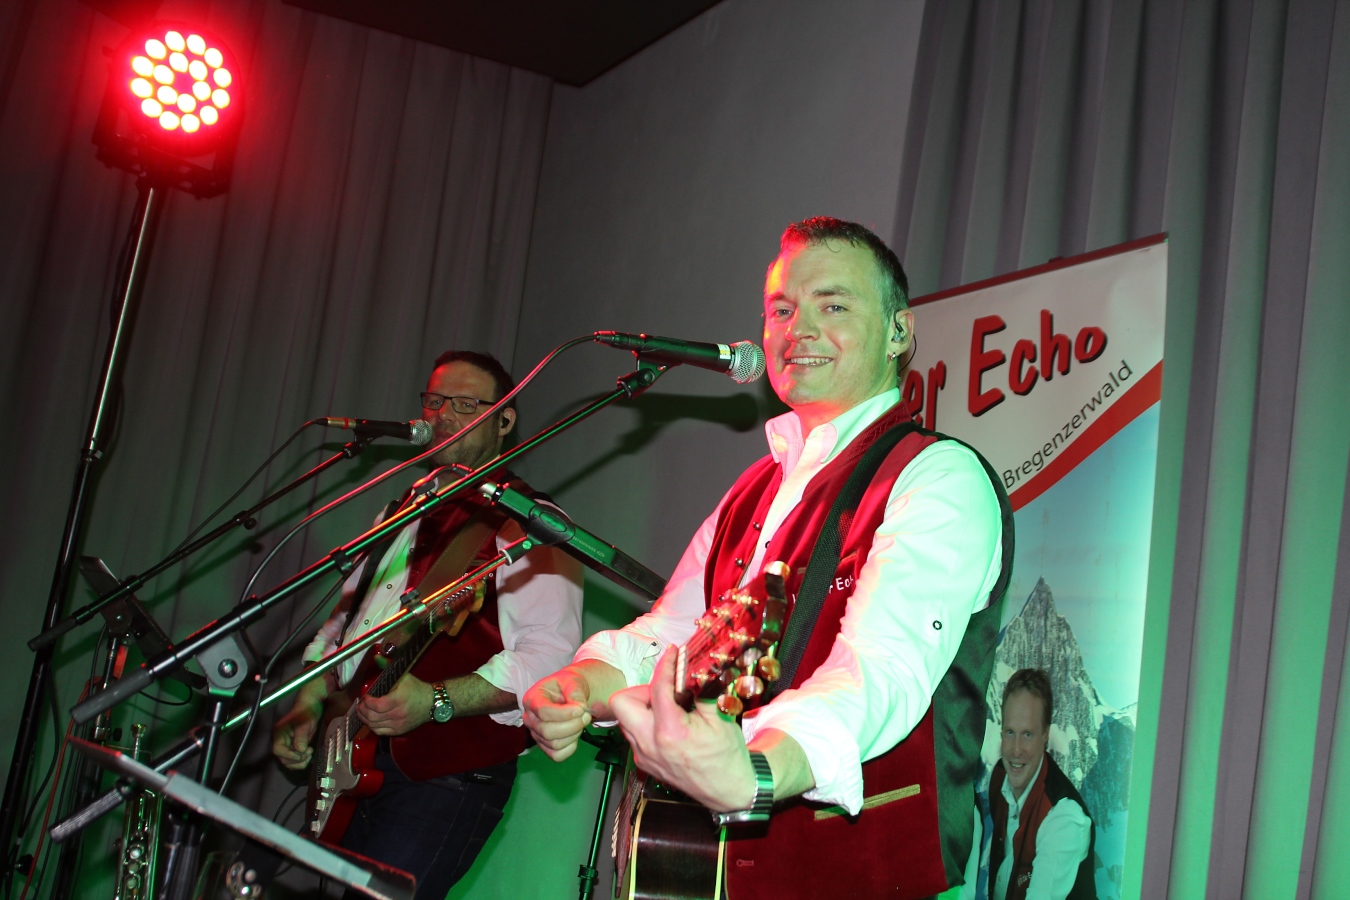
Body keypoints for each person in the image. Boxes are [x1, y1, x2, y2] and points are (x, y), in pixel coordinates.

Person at [523, 218, 1012, 899]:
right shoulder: (753, 490)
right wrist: (581, 684)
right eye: (781, 310)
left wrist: (752, 774)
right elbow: (673, 635)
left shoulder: (939, 476)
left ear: (899, 331)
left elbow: (880, 667)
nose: (798, 329)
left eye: (832, 306)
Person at [272, 350, 583, 898]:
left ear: (504, 420)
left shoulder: (530, 522)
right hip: (353, 763)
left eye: (465, 404)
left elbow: (548, 660)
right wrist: (309, 702)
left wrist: (435, 700)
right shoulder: (399, 512)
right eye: (435, 401)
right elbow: (343, 628)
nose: (443, 415)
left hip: (445, 778)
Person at [987, 669, 1094, 900]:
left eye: (1027, 734)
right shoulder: (999, 778)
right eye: (1010, 732)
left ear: (1045, 735)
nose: (1016, 749)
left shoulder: (1063, 817)